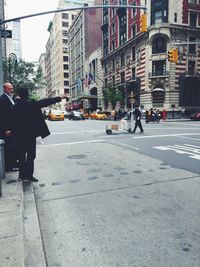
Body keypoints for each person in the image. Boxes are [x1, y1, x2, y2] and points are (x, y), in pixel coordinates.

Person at [11, 87, 68, 182]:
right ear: (27, 94)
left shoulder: (15, 106)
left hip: (19, 135)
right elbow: (46, 102)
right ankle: (28, 176)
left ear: (19, 95)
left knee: (21, 155)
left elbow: (11, 121)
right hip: (30, 135)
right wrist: (60, 98)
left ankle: (22, 175)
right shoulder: (32, 104)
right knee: (30, 156)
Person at [0, 82, 18, 171]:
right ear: (4, 89)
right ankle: (9, 166)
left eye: (12, 88)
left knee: (13, 146)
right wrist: (6, 129)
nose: (12, 90)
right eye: (9, 88)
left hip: (13, 128)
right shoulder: (2, 99)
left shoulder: (11, 98)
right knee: (8, 148)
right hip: (8, 129)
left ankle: (14, 163)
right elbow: (3, 116)